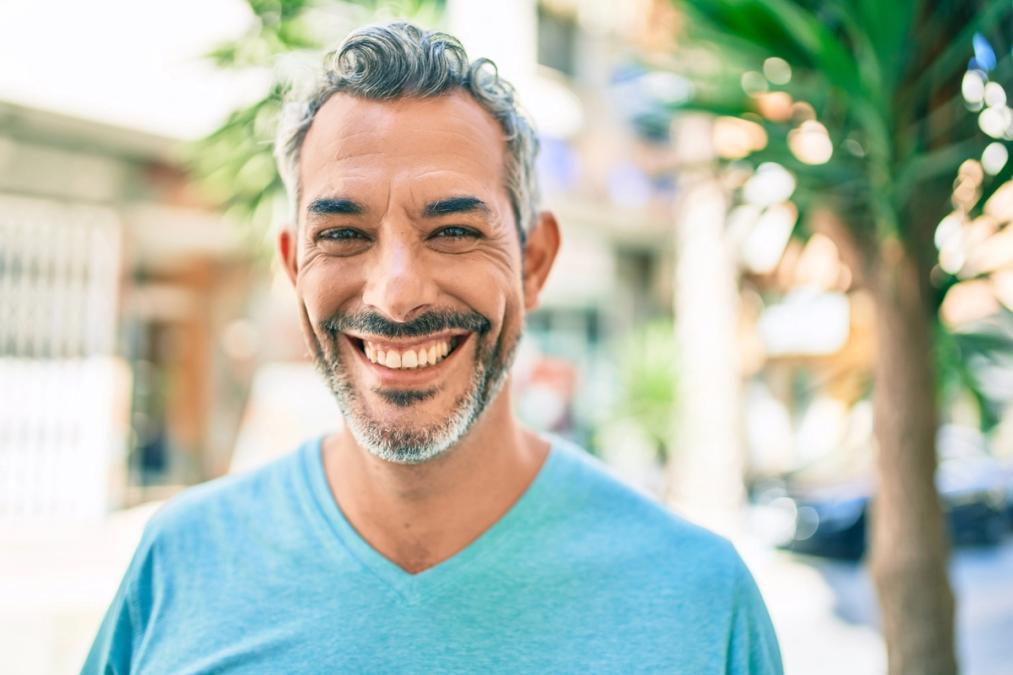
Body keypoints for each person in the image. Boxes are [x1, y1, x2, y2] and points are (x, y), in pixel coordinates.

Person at [83, 21, 782, 674]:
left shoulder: (697, 597)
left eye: (451, 232)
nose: (394, 295)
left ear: (533, 262)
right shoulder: (177, 562)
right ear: (295, 266)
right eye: (343, 234)